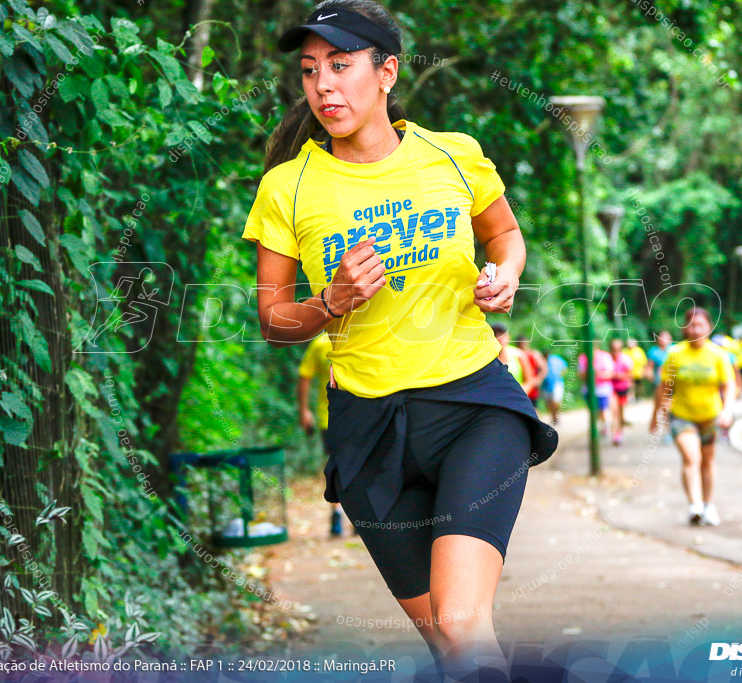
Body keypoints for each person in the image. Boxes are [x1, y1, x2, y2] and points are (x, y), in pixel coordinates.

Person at [240, 3, 558, 676]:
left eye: (342, 65)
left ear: (386, 72)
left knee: (464, 622)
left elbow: (503, 233)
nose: (324, 86)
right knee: (448, 640)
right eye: (309, 71)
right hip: (368, 432)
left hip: (474, 406)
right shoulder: (288, 188)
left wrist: (506, 272)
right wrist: (331, 300)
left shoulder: (455, 154)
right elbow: (272, 319)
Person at [649, 308, 736, 527]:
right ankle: (694, 505)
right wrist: (655, 416)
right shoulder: (675, 354)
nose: (695, 329)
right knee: (691, 457)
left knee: (707, 460)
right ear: (685, 328)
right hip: (681, 415)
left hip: (710, 416)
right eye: (691, 325)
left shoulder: (718, 354)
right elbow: (664, 388)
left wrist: (727, 410)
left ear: (709, 328)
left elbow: (729, 385)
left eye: (700, 325)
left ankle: (708, 505)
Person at [298, 332, 350, 536]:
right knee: (337, 467)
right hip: (330, 417)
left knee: (358, 465)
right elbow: (305, 375)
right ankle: (336, 513)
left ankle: (358, 518)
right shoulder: (320, 344)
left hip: (363, 415)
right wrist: (304, 410)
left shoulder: (364, 335)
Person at [578, 343, 615, 440]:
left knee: (602, 409)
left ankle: (604, 427)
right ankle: (596, 428)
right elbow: (581, 375)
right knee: (592, 410)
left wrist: (598, 374)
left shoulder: (605, 356)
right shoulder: (583, 358)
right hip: (588, 389)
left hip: (602, 388)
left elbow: (610, 373)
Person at [608, 338, 633, 445]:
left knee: (621, 412)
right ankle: (615, 434)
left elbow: (630, 374)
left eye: (617, 349)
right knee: (615, 411)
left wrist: (619, 376)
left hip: (623, 388)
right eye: (613, 349)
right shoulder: (607, 358)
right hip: (610, 388)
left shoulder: (625, 359)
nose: (615, 351)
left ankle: (620, 431)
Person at [516, 335, 548, 410]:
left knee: (533, 407)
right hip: (520, 384)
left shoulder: (533, 354)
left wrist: (538, 379)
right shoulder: (515, 354)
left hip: (531, 385)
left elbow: (544, 368)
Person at [541, 350, 570, 427]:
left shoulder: (555, 359)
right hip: (546, 385)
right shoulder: (541, 360)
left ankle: (556, 416)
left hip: (557, 383)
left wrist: (560, 375)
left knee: (555, 401)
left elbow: (565, 367)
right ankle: (553, 417)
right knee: (549, 402)